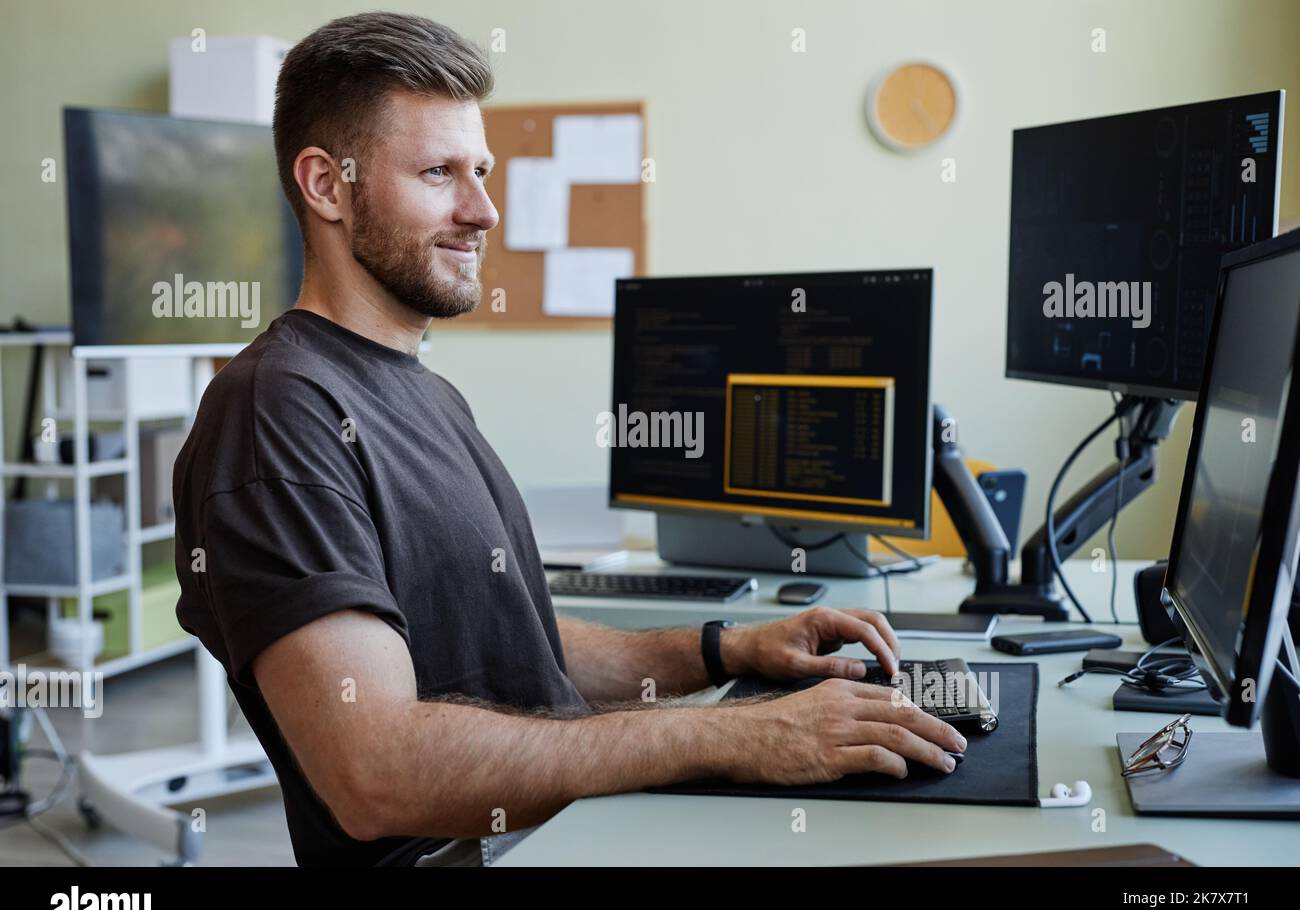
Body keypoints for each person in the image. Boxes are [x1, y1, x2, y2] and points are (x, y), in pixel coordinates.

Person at [173, 11, 964, 867]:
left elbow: (515, 644)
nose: (483, 211)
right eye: (438, 173)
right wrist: (732, 735)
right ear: (327, 185)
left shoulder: (425, 393)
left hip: (566, 831)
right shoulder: (274, 414)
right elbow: (376, 773)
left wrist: (723, 651)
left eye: (481, 171)